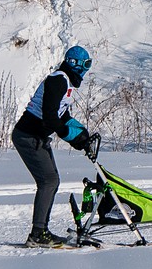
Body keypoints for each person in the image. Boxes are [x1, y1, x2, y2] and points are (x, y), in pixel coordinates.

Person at [11, 45, 95, 247]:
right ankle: (38, 234)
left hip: (36, 136)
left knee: (51, 180)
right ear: (74, 64)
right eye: (85, 65)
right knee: (49, 181)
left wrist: (81, 134)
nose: (86, 70)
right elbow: (50, 119)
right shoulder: (58, 80)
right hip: (28, 136)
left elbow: (62, 115)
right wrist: (72, 137)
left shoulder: (65, 83)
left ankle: (40, 231)